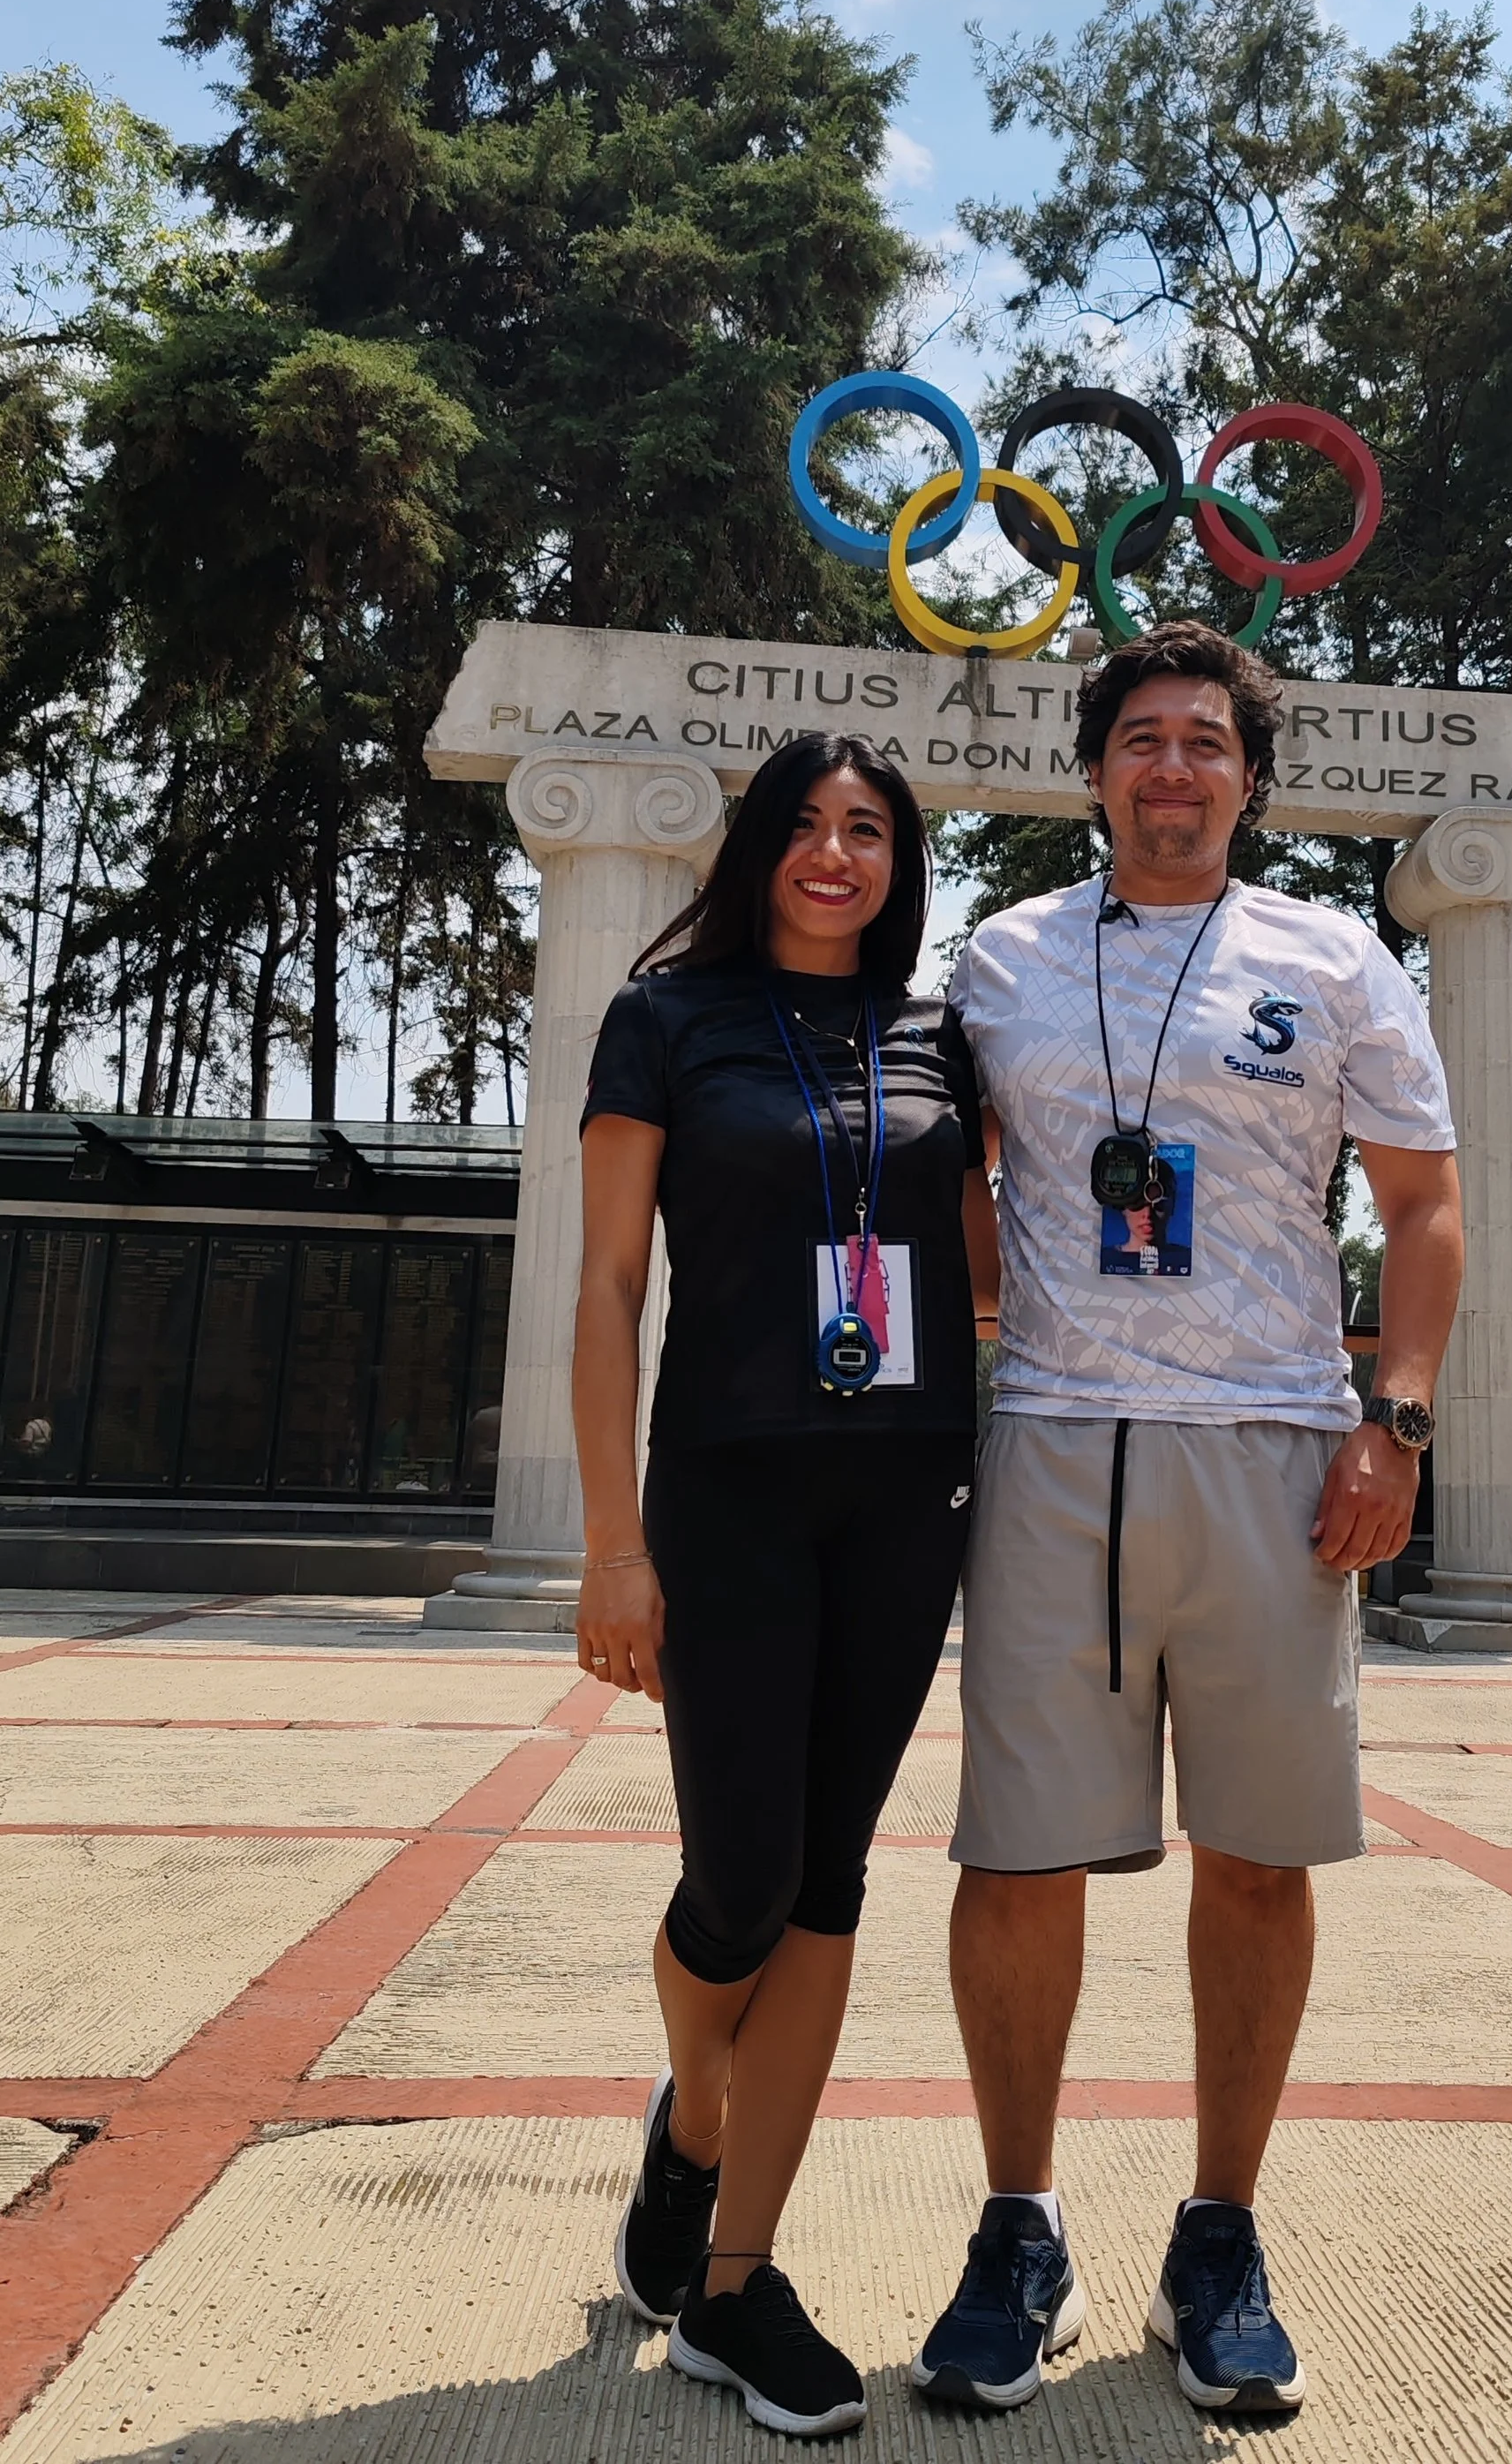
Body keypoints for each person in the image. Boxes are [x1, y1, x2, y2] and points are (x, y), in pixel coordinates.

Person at [914, 618, 1463, 2420]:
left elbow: (1423, 1205)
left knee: (1255, 1853)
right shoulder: (997, 957)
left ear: (1248, 774)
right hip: (1056, 1448)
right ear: (1089, 770)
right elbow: (956, 1190)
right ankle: (1017, 2226)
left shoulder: (1336, 957)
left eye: (1203, 743)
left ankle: (1216, 2235)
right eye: (1138, 737)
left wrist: (1392, 1419)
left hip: (1276, 1447)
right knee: (1014, 1855)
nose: (1169, 768)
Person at [572, 731, 997, 2440]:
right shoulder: (661, 1020)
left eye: (869, 830)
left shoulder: (937, 1041)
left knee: (826, 1880)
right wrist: (614, 1537)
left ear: (900, 862)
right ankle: (691, 2120)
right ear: (756, 846)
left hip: (905, 1492)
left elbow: (979, 1264)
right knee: (735, 1877)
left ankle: (733, 2280)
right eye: (808, 825)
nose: (836, 853)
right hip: (727, 1487)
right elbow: (607, 1288)